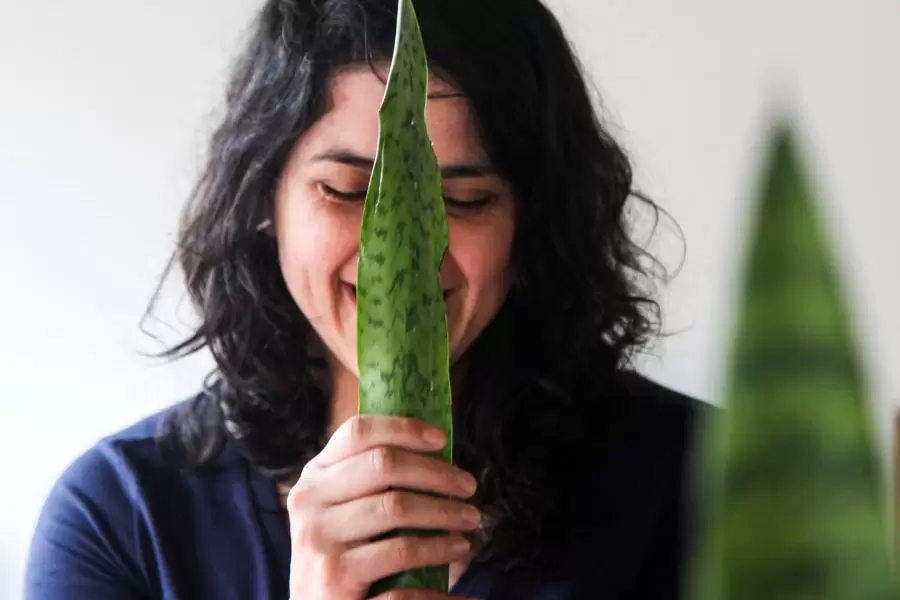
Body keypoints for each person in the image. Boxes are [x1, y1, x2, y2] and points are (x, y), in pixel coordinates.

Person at [25, 0, 714, 598]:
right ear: (267, 199)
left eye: (466, 200)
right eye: (348, 191)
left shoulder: (703, 481)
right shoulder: (121, 518)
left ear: (530, 222)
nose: (405, 251)